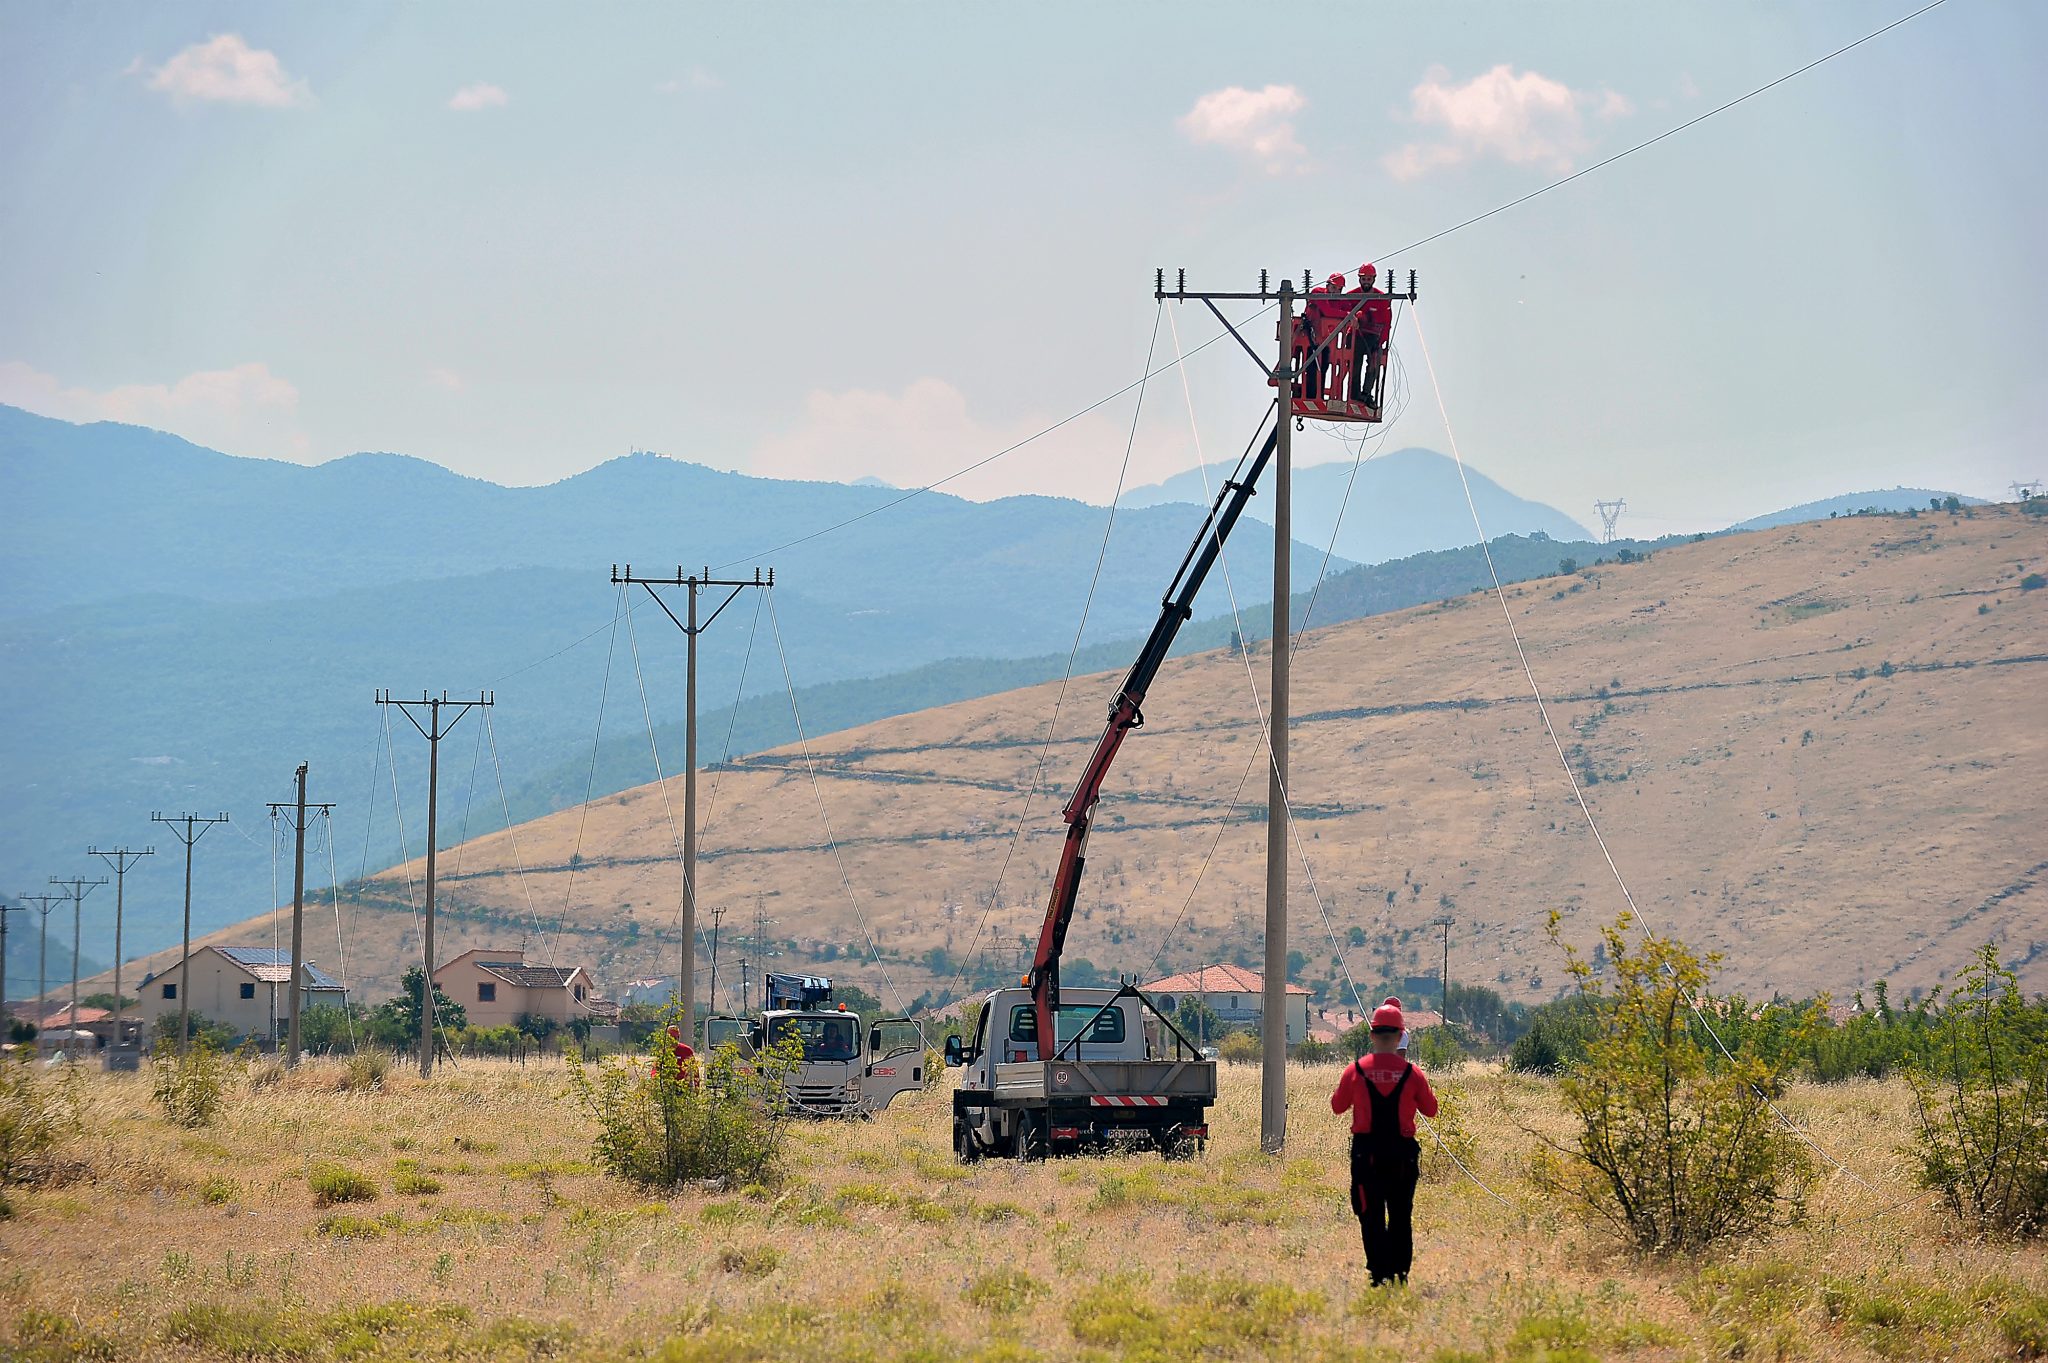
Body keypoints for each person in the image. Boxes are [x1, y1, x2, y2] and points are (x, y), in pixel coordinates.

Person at [1330, 996, 1438, 1286]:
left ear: (1372, 1035)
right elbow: (1431, 1110)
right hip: (1403, 1156)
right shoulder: (1413, 1074)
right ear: (1401, 1036)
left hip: (1367, 1156)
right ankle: (1400, 1274)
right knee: (1401, 1216)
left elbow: (1337, 1107)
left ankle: (1379, 1273)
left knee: (1370, 1214)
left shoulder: (1355, 1071)